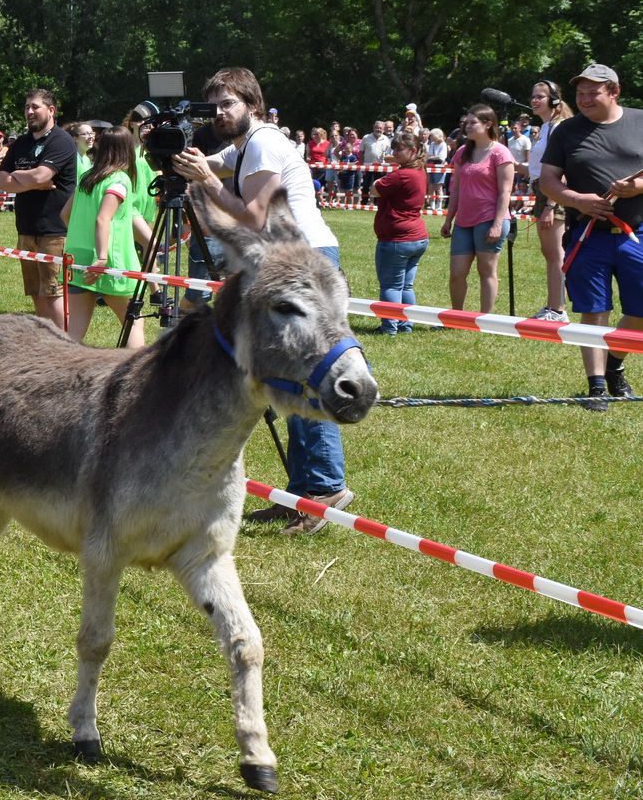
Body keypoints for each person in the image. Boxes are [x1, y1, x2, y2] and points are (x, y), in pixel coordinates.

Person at [170, 67, 352, 536]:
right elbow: (214, 160)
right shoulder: (246, 145)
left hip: (302, 258)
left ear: (253, 104)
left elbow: (254, 217)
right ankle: (301, 491)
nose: (220, 114)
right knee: (287, 373)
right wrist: (170, 147)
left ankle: (326, 488)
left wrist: (207, 182)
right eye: (213, 106)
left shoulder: (266, 142)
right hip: (285, 261)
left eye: (228, 104)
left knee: (308, 369)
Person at [538, 62, 643, 410]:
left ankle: (614, 364)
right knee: (594, 312)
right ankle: (596, 386)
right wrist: (575, 199)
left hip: (636, 234)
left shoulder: (640, 121)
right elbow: (548, 180)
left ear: (614, 92)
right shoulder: (566, 131)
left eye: (592, 92)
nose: (584, 99)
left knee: (640, 309)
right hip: (587, 235)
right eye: (580, 93)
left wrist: (637, 187)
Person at [0, 89, 77, 331]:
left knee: (54, 294)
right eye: (27, 107)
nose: (29, 111)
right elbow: (0, 181)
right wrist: (31, 180)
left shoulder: (61, 141)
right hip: (26, 229)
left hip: (53, 231)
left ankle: (68, 349)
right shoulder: (21, 142)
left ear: (51, 111)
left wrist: (19, 176)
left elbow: (43, 175)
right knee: (36, 293)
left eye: (35, 107)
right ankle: (48, 345)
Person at [63, 127, 149, 345]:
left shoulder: (86, 177)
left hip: (77, 258)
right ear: (127, 150)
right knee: (134, 322)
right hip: (110, 261)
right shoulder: (119, 179)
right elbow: (103, 219)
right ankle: (136, 376)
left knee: (74, 332)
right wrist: (101, 257)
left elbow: (65, 215)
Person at [439, 104, 514, 315]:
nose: (467, 126)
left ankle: (485, 319)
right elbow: (456, 190)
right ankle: (458, 316)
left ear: (488, 124)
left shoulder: (501, 153)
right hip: (464, 221)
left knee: (486, 271)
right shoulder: (462, 152)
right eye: (466, 122)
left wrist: (497, 224)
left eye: (473, 122)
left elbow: (505, 192)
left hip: (489, 219)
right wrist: (448, 220)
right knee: (457, 272)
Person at [371, 130, 429, 334]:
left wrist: (379, 180)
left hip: (397, 239)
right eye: (393, 148)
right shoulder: (420, 171)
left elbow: (375, 189)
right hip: (417, 236)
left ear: (413, 150)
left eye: (399, 149)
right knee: (406, 286)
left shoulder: (402, 175)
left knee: (391, 286)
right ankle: (406, 324)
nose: (394, 152)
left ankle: (389, 327)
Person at [526, 80, 573, 321]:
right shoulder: (546, 127)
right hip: (542, 190)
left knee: (555, 253)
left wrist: (551, 206)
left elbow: (562, 168)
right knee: (550, 252)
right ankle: (553, 305)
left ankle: (557, 309)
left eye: (540, 97)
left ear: (554, 100)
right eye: (533, 96)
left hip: (552, 194)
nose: (534, 100)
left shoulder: (559, 127)